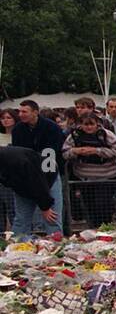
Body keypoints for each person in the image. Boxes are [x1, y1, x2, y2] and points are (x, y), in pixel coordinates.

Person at [12, 100, 65, 235]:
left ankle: (56, 245)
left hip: (49, 173)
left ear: (35, 112)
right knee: (21, 217)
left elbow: (52, 151)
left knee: (52, 216)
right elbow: (19, 153)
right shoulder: (17, 129)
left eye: (24, 111)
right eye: (20, 111)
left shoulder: (52, 128)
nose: (21, 114)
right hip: (24, 175)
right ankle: (17, 246)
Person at [62, 111, 116, 228]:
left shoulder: (107, 135)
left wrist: (97, 151)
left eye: (91, 124)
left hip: (106, 177)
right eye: (86, 124)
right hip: (84, 178)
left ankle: (106, 228)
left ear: (97, 124)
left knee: (104, 206)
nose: (89, 127)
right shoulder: (74, 136)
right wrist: (76, 151)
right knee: (89, 206)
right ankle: (93, 228)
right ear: (81, 124)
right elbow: (65, 152)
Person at [0, 147, 58, 229]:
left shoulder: (17, 160)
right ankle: (19, 240)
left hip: (47, 176)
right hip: (22, 186)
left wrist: (45, 207)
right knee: (21, 221)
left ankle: (56, 239)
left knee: (52, 219)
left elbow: (38, 182)